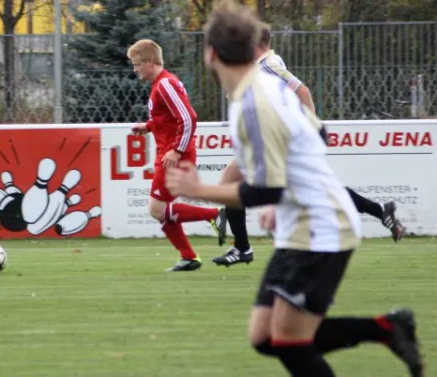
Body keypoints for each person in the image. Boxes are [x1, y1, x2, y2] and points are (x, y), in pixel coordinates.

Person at [165, 2, 423, 376]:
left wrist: (198, 189)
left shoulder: (253, 102)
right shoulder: (265, 86)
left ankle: (387, 329)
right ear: (256, 48)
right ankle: (385, 328)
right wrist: (283, 192)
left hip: (320, 230)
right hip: (304, 225)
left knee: (288, 342)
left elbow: (263, 191)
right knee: (264, 337)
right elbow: (318, 133)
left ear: (209, 54)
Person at [212, 22, 404, 269]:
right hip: (273, 138)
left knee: (306, 189)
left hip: (283, 139)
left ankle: (243, 248)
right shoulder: (262, 66)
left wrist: (312, 127)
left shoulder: (269, 64)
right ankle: (380, 211)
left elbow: (302, 90)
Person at [127, 39, 224, 272]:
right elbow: (168, 118)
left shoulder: (164, 85)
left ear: (150, 62)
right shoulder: (162, 84)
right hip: (170, 152)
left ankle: (215, 215)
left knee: (156, 210)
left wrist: (176, 150)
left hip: (174, 155)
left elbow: (188, 118)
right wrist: (149, 126)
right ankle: (189, 257)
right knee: (162, 212)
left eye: (137, 64)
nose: (135, 69)